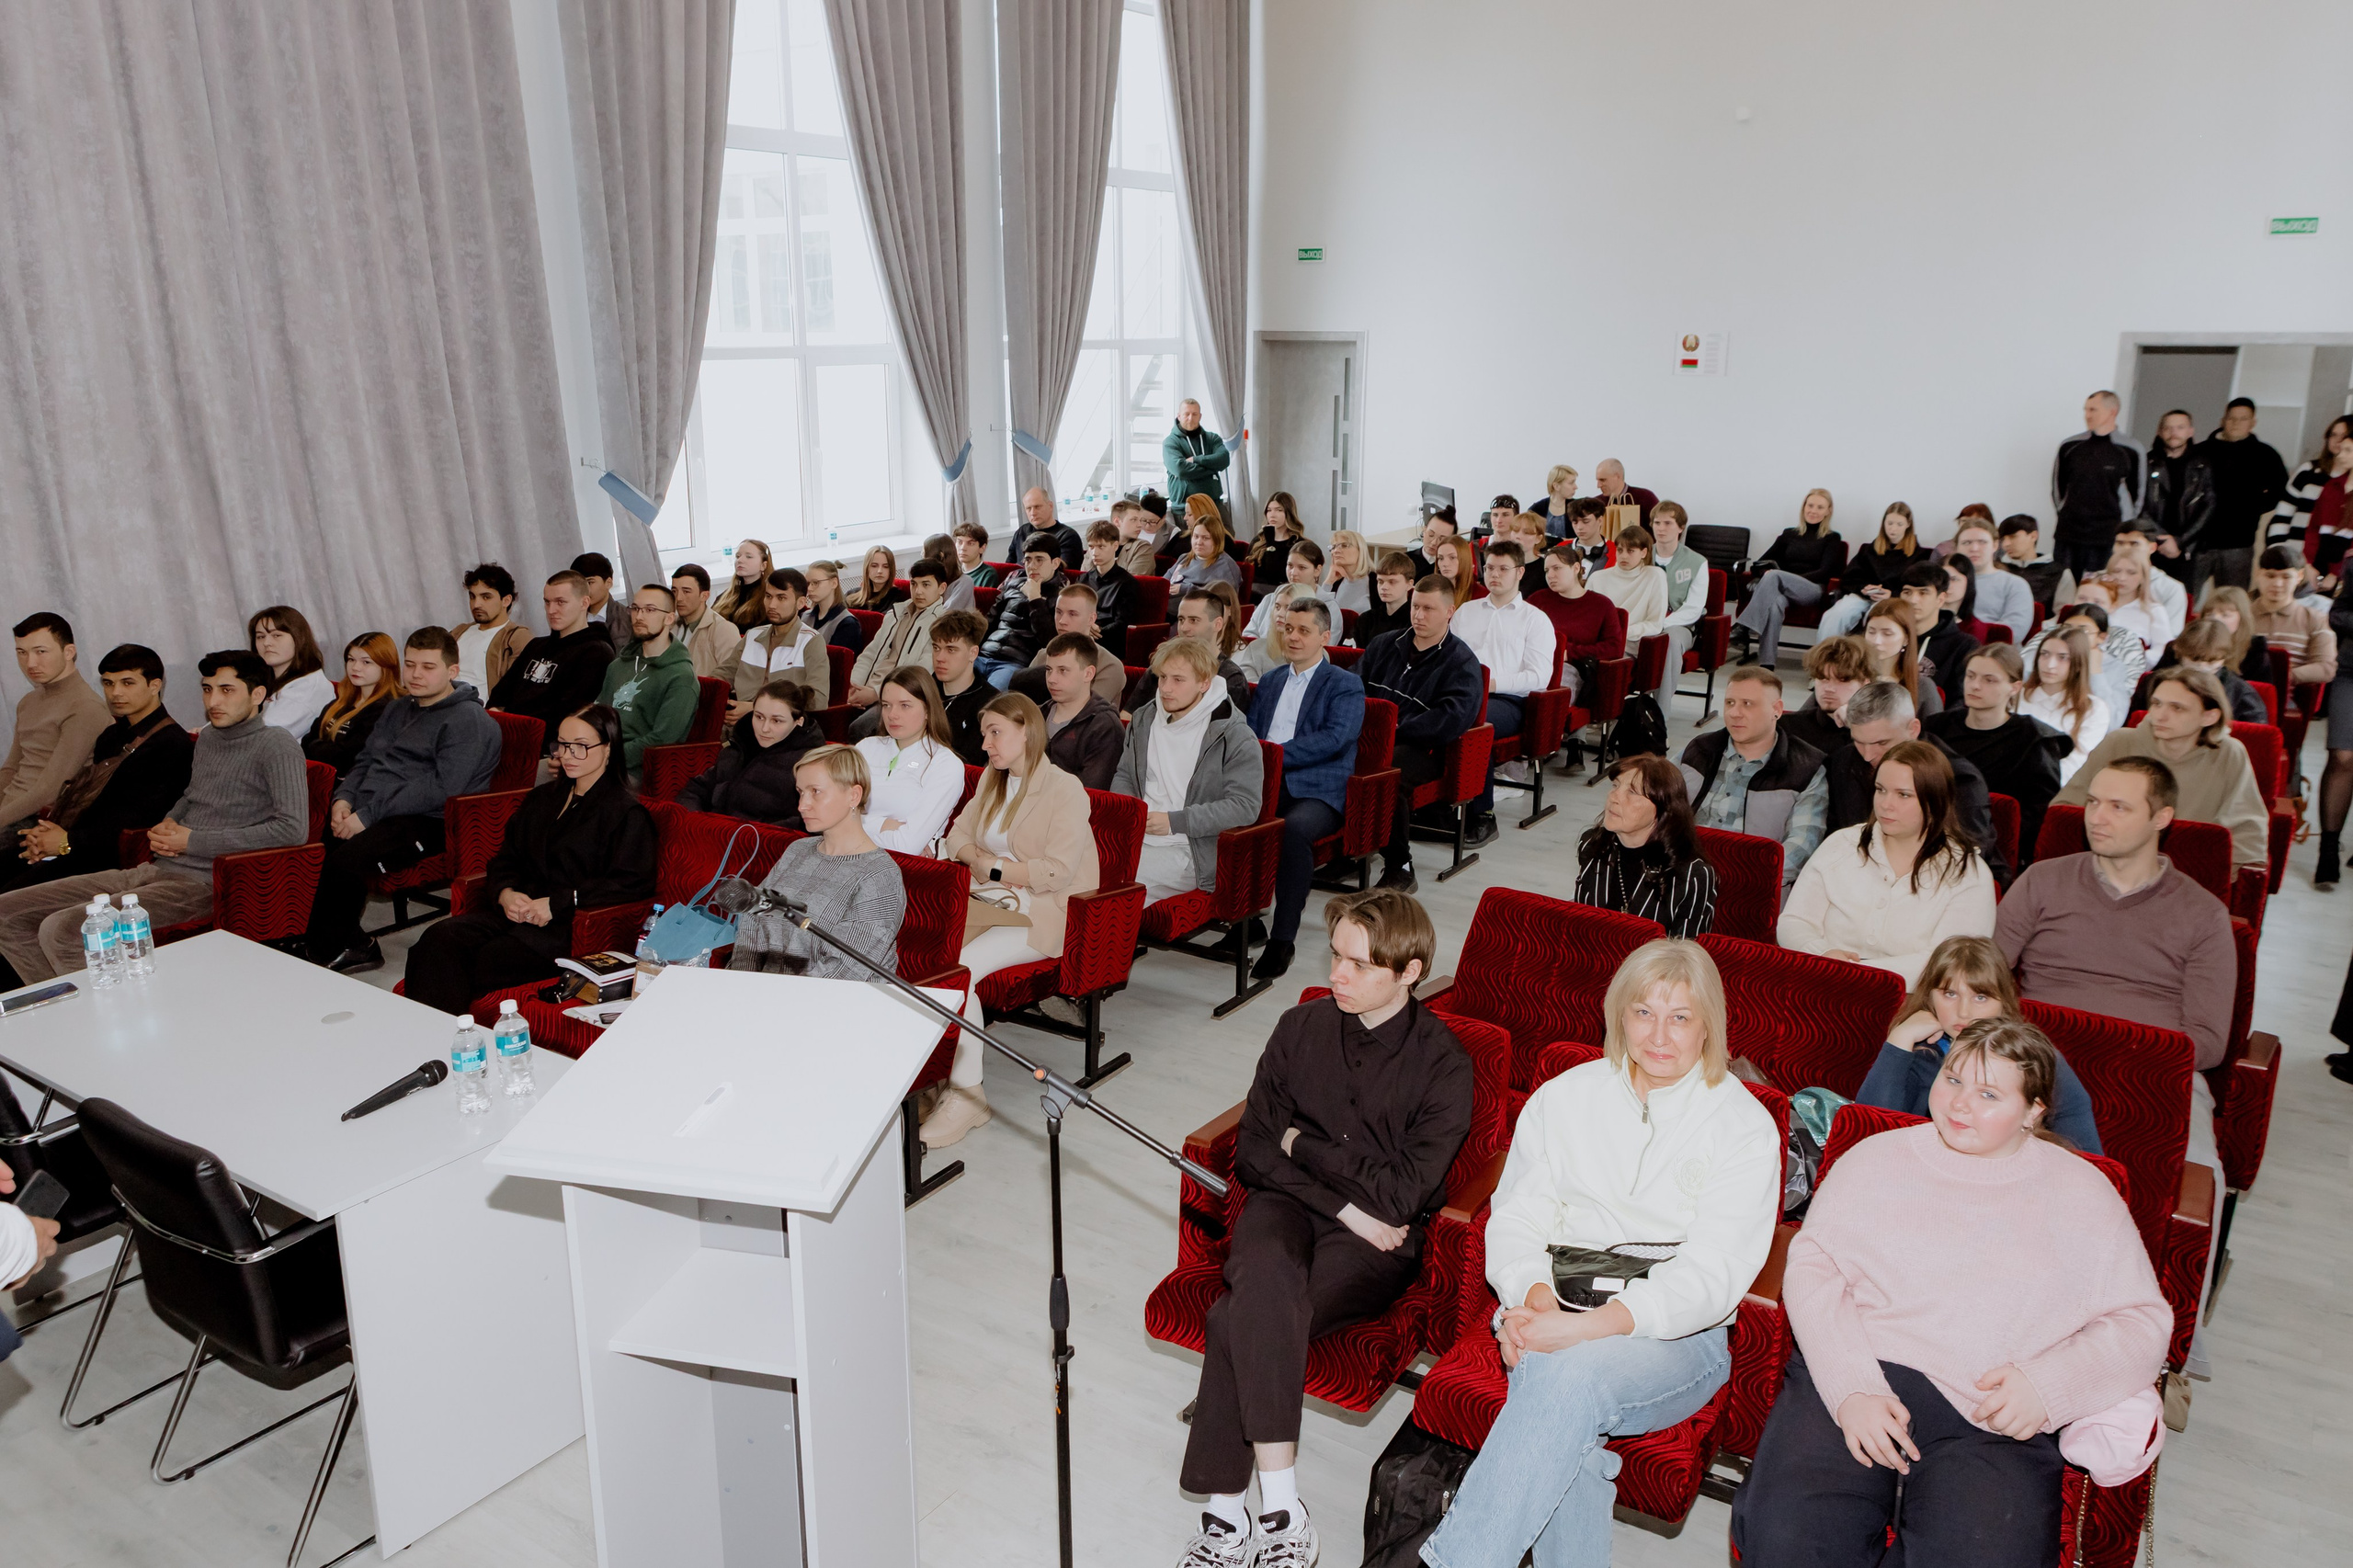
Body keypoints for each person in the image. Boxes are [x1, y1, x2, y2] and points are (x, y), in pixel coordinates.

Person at [1729, 1019, 2167, 1568]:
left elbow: (2143, 1322)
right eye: (1953, 1079)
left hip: (1993, 1413)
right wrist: (1850, 1389)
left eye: (1988, 1094)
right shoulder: (1876, 1158)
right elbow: (1815, 1270)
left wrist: (2048, 1388)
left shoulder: (2083, 1192)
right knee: (1790, 1541)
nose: (1960, 1104)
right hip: (1865, 1374)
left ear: (2034, 1111)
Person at [1426, 939, 1779, 1568]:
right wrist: (1532, 1302)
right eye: (1644, 1012)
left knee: (1567, 1375)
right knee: (1572, 1442)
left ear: (1709, 1027)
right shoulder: (1566, 1095)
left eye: (1681, 1017)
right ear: (1619, 1014)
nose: (1660, 1035)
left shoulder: (1743, 1126)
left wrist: (1577, 1331)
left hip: (1676, 1338)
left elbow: (1711, 1279)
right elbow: (1518, 1215)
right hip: (1553, 1298)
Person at [1173, 888, 1472, 1568]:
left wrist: (1300, 1144)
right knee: (1263, 1287)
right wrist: (1344, 1204)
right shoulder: (1298, 1026)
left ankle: (1225, 1517)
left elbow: (1402, 1194)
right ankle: (1280, 1509)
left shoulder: (1445, 1064)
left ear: (1410, 971)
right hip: (1294, 1209)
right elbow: (1252, 1148)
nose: (1337, 975)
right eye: (1335, 955)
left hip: (1380, 1244)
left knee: (1235, 1317)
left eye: (1359, 966)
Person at [1999, 756, 2236, 1228]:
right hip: (2040, 1058)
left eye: (2118, 807)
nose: (2096, 817)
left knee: (2198, 1184)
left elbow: (2208, 1042)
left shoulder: (2203, 914)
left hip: (2150, 1069)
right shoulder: (2044, 880)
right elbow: (1987, 977)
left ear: (2161, 818)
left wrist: (2119, 1047)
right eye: (2092, 802)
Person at [0, 652, 305, 984]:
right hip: (154, 870)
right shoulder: (209, 739)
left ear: (257, 695)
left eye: (226, 690)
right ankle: (60, 1004)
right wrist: (170, 823)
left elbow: (292, 829)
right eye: (207, 689)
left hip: (207, 883)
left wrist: (193, 841)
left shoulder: (276, 744)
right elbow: (191, 797)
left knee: (62, 929)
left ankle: (112, 1017)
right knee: (6, 913)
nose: (212, 700)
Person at [399, 704, 656, 1014]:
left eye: (581, 747)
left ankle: (439, 1044)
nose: (568, 755)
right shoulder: (543, 798)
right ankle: (425, 1038)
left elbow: (630, 884)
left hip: (564, 930)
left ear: (608, 749)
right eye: (561, 745)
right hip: (514, 913)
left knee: (469, 962)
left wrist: (557, 903)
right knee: (435, 939)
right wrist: (505, 892)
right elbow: (507, 858)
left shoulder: (625, 813)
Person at [929, 694, 1102, 1147]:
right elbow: (956, 838)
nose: (985, 745)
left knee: (959, 974)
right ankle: (934, 1074)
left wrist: (995, 868)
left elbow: (1057, 871)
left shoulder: (1065, 789)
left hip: (1043, 910)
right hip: (991, 899)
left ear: (1026, 730)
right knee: (933, 955)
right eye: (985, 734)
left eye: (995, 733)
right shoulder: (993, 777)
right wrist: (987, 867)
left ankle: (968, 1097)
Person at [304, 628, 503, 971]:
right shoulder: (397, 708)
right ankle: (343, 939)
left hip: (430, 819)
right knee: (311, 848)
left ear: (452, 671)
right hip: (378, 808)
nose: (415, 675)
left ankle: (326, 949)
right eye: (410, 665)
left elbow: (442, 786)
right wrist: (344, 800)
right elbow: (366, 760)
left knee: (346, 861)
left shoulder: (468, 720)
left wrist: (366, 816)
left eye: (428, 667)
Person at [1779, 740, 1996, 986]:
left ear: (1934, 800)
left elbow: (1951, 962)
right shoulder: (1841, 844)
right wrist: (1822, 954)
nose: (1885, 804)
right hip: (1823, 981)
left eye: (1903, 795)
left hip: (1912, 1002)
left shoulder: (1969, 874)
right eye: (1880, 790)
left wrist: (1854, 972)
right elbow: (1794, 921)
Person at [1855, 936, 2101, 1152]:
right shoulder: (1919, 1051)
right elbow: (1866, 1133)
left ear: (2004, 1003)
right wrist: (1899, 1039)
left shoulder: (2033, 1057)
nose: (1964, 1011)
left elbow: (2086, 1153)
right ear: (1929, 995)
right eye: (1949, 994)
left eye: (1980, 997)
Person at [0, 644, 193, 896]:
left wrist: (66, 843)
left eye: (127, 683)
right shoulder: (110, 736)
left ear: (154, 685)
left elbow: (139, 821)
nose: (115, 693)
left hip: (113, 856)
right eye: (108, 683)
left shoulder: (172, 744)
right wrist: (49, 836)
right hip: (77, 841)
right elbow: (90, 801)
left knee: (9, 898)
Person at [1248, 602, 1365, 982]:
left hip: (1318, 788)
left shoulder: (1344, 684)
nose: (1293, 637)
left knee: (1293, 832)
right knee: (1232, 820)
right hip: (1265, 782)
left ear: (1324, 637)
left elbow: (1335, 739)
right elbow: (1251, 734)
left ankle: (1282, 939)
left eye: (1304, 631)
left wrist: (1275, 755)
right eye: (1288, 629)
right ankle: (1245, 921)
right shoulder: (1270, 681)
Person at [2054, 667, 2268, 868]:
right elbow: (2066, 808)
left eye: (2177, 708)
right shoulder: (2119, 742)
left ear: (2209, 716)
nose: (2160, 715)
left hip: (2191, 872)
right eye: (2156, 704)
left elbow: (2246, 830)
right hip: (2110, 864)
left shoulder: (2229, 753)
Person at [727, 744, 907, 981]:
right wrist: (738, 985)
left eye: (816, 792)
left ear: (853, 795)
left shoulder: (879, 875)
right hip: (765, 994)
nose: (802, 805)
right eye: (801, 792)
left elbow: (844, 971)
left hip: (830, 1005)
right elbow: (753, 922)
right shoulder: (798, 850)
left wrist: (770, 999)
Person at [1114, 635, 1262, 905]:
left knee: (1111, 887)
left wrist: (1174, 821)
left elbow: (1245, 806)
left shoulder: (1234, 734)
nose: (1166, 689)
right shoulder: (1144, 718)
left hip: (1190, 849)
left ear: (1204, 683)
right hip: (1135, 837)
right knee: (1075, 872)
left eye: (1178, 680)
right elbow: (1125, 774)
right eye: (1162, 678)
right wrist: (1130, 812)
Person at [1357, 577, 1483, 892]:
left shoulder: (1461, 662)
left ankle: (1400, 864)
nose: (1419, 616)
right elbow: (1351, 688)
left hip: (1424, 749)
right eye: (1415, 607)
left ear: (1449, 611)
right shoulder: (1385, 644)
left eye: (1429, 609)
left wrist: (1397, 729)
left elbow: (1450, 719)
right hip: (1370, 738)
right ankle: (1350, 850)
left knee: (1388, 774)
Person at [1824, 679, 2006, 886]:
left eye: (1881, 743)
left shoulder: (1958, 779)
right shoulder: (1843, 762)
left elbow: (1967, 855)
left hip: (1937, 884)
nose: (1867, 755)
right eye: (1858, 741)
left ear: (1913, 729)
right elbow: (1835, 835)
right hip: (1859, 880)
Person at [1679, 665, 1830, 894]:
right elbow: (1652, 804)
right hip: (1681, 879)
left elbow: (1801, 846)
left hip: (1751, 892)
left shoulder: (1806, 769)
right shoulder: (1698, 750)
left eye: (1747, 704)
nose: (1734, 713)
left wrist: (1744, 879)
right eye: (1730, 703)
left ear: (1777, 710)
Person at [1924, 642, 2071, 854]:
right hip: (1931, 833)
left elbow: (2037, 816)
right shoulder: (1937, 727)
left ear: (2015, 687)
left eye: (1989, 680)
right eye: (1970, 676)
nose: (1975, 685)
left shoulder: (2034, 739)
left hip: (1995, 848)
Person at [1451, 540, 1558, 820]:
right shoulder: (1466, 612)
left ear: (1520, 572)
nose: (1494, 574)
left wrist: (1494, 684)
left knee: (1475, 721)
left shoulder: (1535, 619)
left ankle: (1480, 814)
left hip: (1510, 701)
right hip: (1464, 693)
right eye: (1489, 568)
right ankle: (1438, 806)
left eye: (1503, 568)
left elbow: (1539, 677)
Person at [1575, 756, 1717, 937]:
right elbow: (1579, 926)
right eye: (1615, 786)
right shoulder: (1593, 845)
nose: (1614, 797)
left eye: (1632, 792)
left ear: (1663, 808)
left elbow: (1684, 955)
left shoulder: (1691, 874)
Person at [0, 613, 109, 832]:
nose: (30, 663)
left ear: (69, 652)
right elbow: (10, 769)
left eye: (41, 652)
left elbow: (51, 790)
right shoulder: (28, 701)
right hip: (9, 811)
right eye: (22, 653)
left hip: (39, 820)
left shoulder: (85, 707)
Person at [675, 679, 822, 826]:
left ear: (798, 722)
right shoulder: (739, 747)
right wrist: (695, 823)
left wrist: (746, 836)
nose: (764, 728)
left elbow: (809, 821)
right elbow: (696, 789)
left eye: (776, 721)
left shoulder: (809, 765)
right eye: (759, 717)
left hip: (759, 843)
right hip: (713, 835)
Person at [852, 666, 966, 852]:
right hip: (844, 855)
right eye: (886, 705)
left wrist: (858, 823)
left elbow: (907, 845)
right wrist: (886, 825)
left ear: (928, 710)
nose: (892, 714)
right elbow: (829, 818)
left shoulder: (945, 765)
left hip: (901, 869)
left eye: (905, 705)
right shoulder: (865, 748)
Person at [488, 571, 619, 733]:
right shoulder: (536, 645)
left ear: (584, 603)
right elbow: (500, 693)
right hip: (509, 734)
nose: (551, 610)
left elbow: (569, 712)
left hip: (549, 745)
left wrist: (511, 722)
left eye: (560, 602)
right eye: (547, 602)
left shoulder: (597, 652)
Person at [597, 585, 701, 779]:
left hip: (635, 771)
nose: (639, 616)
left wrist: (605, 758)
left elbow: (662, 740)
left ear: (669, 618)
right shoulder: (618, 665)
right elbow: (597, 716)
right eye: (635, 608)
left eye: (650, 610)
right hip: (597, 757)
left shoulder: (681, 677)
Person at [1734, 488, 1848, 665]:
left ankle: (1745, 627)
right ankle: (1767, 665)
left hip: (1812, 590)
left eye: (1820, 507)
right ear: (1804, 507)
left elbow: (1826, 572)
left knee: (1775, 576)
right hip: (1781, 589)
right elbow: (1759, 564)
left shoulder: (1832, 538)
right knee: (1774, 604)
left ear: (1828, 511)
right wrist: (1772, 576)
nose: (1813, 510)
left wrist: (1786, 578)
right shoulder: (1789, 534)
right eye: (1810, 505)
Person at [844, 558, 950, 736]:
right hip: (867, 689)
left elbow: (920, 672)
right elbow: (869, 654)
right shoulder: (896, 613)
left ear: (941, 588)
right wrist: (854, 686)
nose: (918, 591)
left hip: (898, 696)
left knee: (860, 729)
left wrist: (876, 694)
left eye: (926, 585)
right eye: (914, 584)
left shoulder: (941, 624)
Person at [2196, 396, 2290, 594]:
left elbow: (2280, 491)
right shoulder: (2200, 452)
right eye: (2231, 418)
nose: (2236, 423)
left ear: (2253, 422)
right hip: (2198, 542)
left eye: (2243, 418)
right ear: (2223, 420)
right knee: (2185, 597)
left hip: (2238, 543)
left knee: (2232, 600)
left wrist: (2252, 508)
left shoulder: (2266, 455)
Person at [2050, 389, 2145, 575]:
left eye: (2093, 410)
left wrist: (2124, 528)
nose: (2087, 415)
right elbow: (2057, 489)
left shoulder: (2131, 449)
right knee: (2063, 589)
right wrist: (2065, 513)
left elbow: (2139, 494)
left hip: (2108, 537)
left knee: (2103, 590)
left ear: (2112, 412)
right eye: (2086, 410)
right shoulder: (2070, 446)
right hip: (2069, 534)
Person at [728, 567, 831, 720]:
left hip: (783, 726)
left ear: (800, 603)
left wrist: (755, 709)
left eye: (781, 598)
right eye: (768, 596)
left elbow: (819, 699)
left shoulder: (811, 641)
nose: (772, 605)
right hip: (738, 719)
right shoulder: (752, 635)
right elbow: (724, 674)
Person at [1131, 586, 1253, 717]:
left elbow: (1218, 733)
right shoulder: (1163, 665)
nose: (1184, 628)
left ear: (1218, 624)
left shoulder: (1231, 678)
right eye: (1181, 620)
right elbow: (1128, 716)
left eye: (1194, 620)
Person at [1010, 582, 1129, 710]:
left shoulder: (1109, 665)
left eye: (1072, 614)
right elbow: (1021, 705)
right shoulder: (1044, 655)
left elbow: (1085, 713)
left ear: (1091, 619)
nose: (1062, 621)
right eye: (1058, 612)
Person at [2129, 616, 2269, 723]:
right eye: (2194, 659)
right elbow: (2134, 724)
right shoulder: (2153, 682)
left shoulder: (2242, 694)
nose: (2202, 668)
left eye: (2212, 661)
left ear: (2224, 658)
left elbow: (2252, 742)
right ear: (2179, 651)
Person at [2268, 415, 2353, 589]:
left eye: (2344, 436)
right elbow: (2283, 515)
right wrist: (2279, 553)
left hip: (2331, 563)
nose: (2337, 441)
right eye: (2333, 435)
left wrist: (2335, 572)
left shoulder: (2346, 485)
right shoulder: (2309, 470)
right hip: (2295, 557)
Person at [2019, 626, 2113, 785]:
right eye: (2044, 654)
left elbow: (2077, 762)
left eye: (2063, 657)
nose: (2050, 665)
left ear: (2078, 664)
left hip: (2054, 788)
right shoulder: (2016, 696)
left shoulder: (2094, 709)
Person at [1817, 502, 1921, 638]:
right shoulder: (1871, 549)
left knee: (1875, 619)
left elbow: (1916, 587)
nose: (1893, 529)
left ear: (1908, 525)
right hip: (1863, 595)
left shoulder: (1918, 554)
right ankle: (1823, 657)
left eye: (1899, 524)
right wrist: (1864, 588)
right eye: (1889, 523)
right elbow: (1850, 576)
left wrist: (1891, 594)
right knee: (1834, 616)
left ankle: (1866, 658)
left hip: (1892, 599)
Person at [2024, 598, 2140, 721]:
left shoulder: (2114, 667)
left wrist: (2095, 671)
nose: (2071, 635)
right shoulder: (2043, 654)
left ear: (2101, 637)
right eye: (2066, 628)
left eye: (2083, 631)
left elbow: (2113, 722)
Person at [302, 632, 400, 778]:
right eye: (351, 660)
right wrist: (324, 748)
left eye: (366, 662)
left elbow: (347, 760)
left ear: (385, 666)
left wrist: (317, 745)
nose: (355, 667)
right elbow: (305, 743)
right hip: (321, 781)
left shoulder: (387, 709)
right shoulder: (339, 702)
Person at [2246, 542, 2340, 688]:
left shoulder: (2315, 618)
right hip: (2241, 699)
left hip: (2287, 702)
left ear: (2299, 576)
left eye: (2286, 577)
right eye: (2270, 576)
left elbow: (2326, 668)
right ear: (2258, 574)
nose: (2277, 584)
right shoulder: (2241, 616)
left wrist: (2284, 676)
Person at [1039, 634, 1123, 790]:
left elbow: (1091, 793)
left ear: (1088, 674)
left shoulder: (1105, 727)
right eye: (1049, 670)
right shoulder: (1035, 715)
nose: (1051, 679)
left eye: (1063, 670)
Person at [2142, 407, 2215, 585]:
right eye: (2168, 428)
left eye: (2180, 427)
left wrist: (2180, 541)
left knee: (2183, 603)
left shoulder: (2203, 465)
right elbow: (2139, 506)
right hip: (2152, 546)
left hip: (2188, 549)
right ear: (2160, 432)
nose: (2173, 433)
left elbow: (2209, 505)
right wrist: (2161, 539)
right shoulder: (2146, 463)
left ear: (2191, 431)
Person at [975, 540, 1062, 689]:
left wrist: (1035, 598)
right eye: (1028, 560)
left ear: (1055, 563)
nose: (1032, 566)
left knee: (990, 701)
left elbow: (1050, 640)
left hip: (1014, 662)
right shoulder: (1014, 583)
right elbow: (989, 621)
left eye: (1039, 560)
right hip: (984, 654)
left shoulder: (1061, 596)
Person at [248, 605, 335, 735]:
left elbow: (263, 736)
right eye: (260, 636)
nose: (266, 643)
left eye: (276, 635)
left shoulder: (308, 688)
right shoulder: (264, 680)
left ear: (300, 638)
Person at [1782, 635, 1869, 761]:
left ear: (1864, 684)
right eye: (1823, 678)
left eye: (1842, 680)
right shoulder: (1787, 728)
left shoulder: (1875, 737)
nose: (1829, 688)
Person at [926, 609, 996, 765]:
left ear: (973, 653)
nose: (940, 658)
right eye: (936, 648)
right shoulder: (922, 690)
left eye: (951, 650)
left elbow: (969, 762)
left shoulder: (990, 704)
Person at [452, 563, 533, 699]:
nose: (476, 604)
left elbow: (517, 690)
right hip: (442, 707)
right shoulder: (459, 631)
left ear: (506, 600)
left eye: (486, 597)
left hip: (481, 712)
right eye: (472, 596)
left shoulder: (517, 637)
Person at [1948, 517, 2034, 641]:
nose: (1974, 548)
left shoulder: (2015, 584)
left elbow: (2015, 630)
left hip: (1995, 652)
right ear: (1957, 547)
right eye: (1967, 543)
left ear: (1995, 545)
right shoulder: (1944, 582)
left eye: (1982, 542)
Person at [1861, 597, 1942, 718]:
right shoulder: (1851, 676)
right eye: (1871, 632)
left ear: (1906, 639)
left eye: (1887, 634)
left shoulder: (1922, 686)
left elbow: (1933, 733)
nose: (1876, 641)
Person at [1587, 526, 1669, 641]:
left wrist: (1622, 632)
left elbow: (1654, 624)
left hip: (1632, 643)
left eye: (1630, 551)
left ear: (1643, 553)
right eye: (1620, 550)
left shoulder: (1655, 575)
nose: (1624, 556)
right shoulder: (1597, 578)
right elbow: (1588, 619)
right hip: (1599, 641)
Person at [668, 562, 745, 680]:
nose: (678, 598)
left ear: (704, 596)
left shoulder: (723, 629)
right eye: (674, 591)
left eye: (686, 591)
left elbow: (732, 675)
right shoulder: (670, 625)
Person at [1243, 540, 1327, 641]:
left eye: (1302, 567)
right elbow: (1249, 634)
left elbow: (1325, 643)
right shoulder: (1270, 598)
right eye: (1290, 566)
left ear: (1317, 570)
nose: (1293, 573)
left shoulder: (1325, 605)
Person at [1164, 398, 1232, 523]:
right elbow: (1180, 470)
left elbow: (1224, 459)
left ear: (1200, 416)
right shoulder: (1171, 442)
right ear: (1179, 416)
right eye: (1186, 414)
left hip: (1214, 504)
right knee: (1193, 543)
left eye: (1195, 414)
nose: (1191, 418)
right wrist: (1212, 467)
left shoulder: (1212, 438)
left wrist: (1196, 460)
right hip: (1184, 508)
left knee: (1227, 540)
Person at [2100, 549, 2177, 658]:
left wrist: (2136, 661)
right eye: (2116, 571)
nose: (2122, 578)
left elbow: (2163, 648)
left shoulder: (2154, 611)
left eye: (2131, 573)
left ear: (2143, 577)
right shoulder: (2096, 605)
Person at [1078, 521, 1138, 646]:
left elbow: (1122, 623)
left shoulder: (1127, 583)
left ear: (1115, 546)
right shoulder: (1082, 579)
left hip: (1109, 641)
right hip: (1081, 635)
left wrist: (1094, 631)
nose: (1094, 553)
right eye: (1091, 547)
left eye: (1101, 547)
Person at [1172, 502, 1247, 597]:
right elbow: (1163, 584)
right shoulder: (1184, 558)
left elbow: (1224, 598)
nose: (1199, 542)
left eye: (1205, 538)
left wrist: (1187, 589)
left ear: (1216, 540)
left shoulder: (1225, 566)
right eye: (1196, 537)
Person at [1996, 512, 2068, 609]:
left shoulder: (2058, 572)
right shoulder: (1996, 569)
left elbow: (2063, 614)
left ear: (2033, 536)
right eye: (2003, 539)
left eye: (2013, 537)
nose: (2006, 544)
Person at [1351, 551, 1417, 647]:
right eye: (1380, 581)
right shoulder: (1366, 620)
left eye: (1392, 582)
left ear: (1409, 584)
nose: (1384, 587)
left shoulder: (1415, 622)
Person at [802, 560, 868, 653]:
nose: (809, 589)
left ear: (834, 583)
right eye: (807, 584)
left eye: (815, 583)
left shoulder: (847, 624)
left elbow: (838, 664)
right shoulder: (804, 617)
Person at [1249, 492, 1308, 587]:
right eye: (1269, 510)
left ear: (1289, 513)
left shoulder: (1298, 544)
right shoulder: (1258, 541)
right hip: (1257, 594)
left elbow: (1276, 576)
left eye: (1279, 510)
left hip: (1286, 593)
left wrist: (1271, 547)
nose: (1272, 515)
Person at [713, 538, 775, 630]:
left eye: (749, 557)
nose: (740, 560)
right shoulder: (725, 596)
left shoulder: (768, 599)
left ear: (763, 565)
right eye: (738, 556)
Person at [1321, 528, 1374, 615]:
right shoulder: (1335, 582)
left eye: (1344, 545)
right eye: (1333, 547)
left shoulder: (1375, 581)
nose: (1336, 551)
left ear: (1360, 550)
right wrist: (1328, 582)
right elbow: (1318, 614)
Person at [1592, 458, 1658, 524]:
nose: (1598, 485)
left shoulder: (1645, 498)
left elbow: (1659, 526)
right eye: (1598, 481)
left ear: (1617, 476)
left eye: (1603, 480)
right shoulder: (1595, 504)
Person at [847, 545, 907, 613]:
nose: (879, 571)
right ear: (867, 568)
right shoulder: (851, 595)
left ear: (891, 570)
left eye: (885, 566)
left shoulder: (897, 597)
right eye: (874, 566)